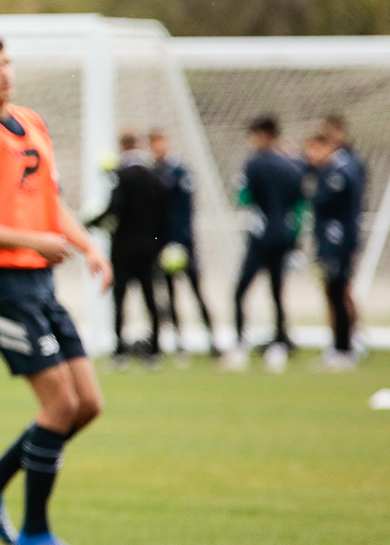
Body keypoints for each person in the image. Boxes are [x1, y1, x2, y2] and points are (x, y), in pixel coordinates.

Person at [0, 34, 109, 545]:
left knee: (87, 405)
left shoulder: (32, 122)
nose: (4, 73)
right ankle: (35, 535)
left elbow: (49, 203)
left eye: (7, 63)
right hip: (0, 285)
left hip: (40, 281)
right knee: (59, 403)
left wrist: (88, 247)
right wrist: (32, 241)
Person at [228, 116, 306, 371]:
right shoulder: (292, 164)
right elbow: (301, 204)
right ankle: (280, 344)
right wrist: (295, 241)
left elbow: (243, 196)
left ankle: (240, 344)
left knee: (241, 289)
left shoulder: (255, 163)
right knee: (277, 291)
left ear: (263, 135)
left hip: (262, 236)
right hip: (284, 234)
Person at [87, 131, 168, 368]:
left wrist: (89, 223)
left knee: (120, 296)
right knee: (150, 297)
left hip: (123, 247)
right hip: (149, 247)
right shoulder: (154, 175)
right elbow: (163, 213)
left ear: (122, 147)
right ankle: (154, 351)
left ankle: (120, 351)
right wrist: (158, 242)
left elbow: (114, 209)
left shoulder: (120, 176)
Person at [148, 129, 218, 360]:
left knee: (197, 290)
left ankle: (213, 340)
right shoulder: (152, 173)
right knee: (168, 295)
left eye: (162, 141)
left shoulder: (180, 171)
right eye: (155, 142)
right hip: (163, 243)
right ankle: (179, 343)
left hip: (184, 243)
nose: (159, 146)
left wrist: (181, 241)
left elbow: (186, 209)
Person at [304, 122, 367, 369]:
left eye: (313, 150)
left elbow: (321, 201)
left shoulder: (339, 170)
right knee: (335, 291)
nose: (310, 156)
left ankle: (344, 348)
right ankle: (343, 343)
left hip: (337, 241)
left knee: (338, 291)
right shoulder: (337, 168)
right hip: (333, 240)